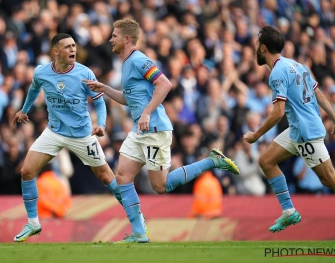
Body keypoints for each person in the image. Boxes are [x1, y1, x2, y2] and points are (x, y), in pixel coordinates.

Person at [83, 18, 240, 243]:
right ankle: (138, 232)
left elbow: (165, 83)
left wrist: (147, 112)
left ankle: (212, 161)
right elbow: (129, 99)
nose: (111, 39)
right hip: (140, 130)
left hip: (154, 128)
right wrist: (106, 89)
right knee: (123, 176)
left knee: (161, 186)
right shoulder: (126, 64)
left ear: (127, 39)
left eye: (115, 36)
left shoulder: (139, 60)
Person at [12, 33, 127, 242]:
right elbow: (33, 89)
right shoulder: (42, 72)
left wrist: (100, 124)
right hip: (54, 132)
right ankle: (33, 223)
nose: (72, 49)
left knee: (106, 177)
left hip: (82, 135)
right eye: (67, 47)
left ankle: (136, 218)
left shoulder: (85, 73)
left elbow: (99, 103)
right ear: (55, 51)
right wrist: (24, 110)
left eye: (74, 46)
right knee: (27, 171)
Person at [244, 26, 335, 233]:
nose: (256, 48)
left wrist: (256, 135)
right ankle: (288, 211)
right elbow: (318, 93)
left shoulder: (276, 73)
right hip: (297, 129)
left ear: (263, 48)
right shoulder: (297, 65)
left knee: (329, 179)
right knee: (266, 161)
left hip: (306, 133)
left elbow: (278, 112)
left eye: (258, 44)